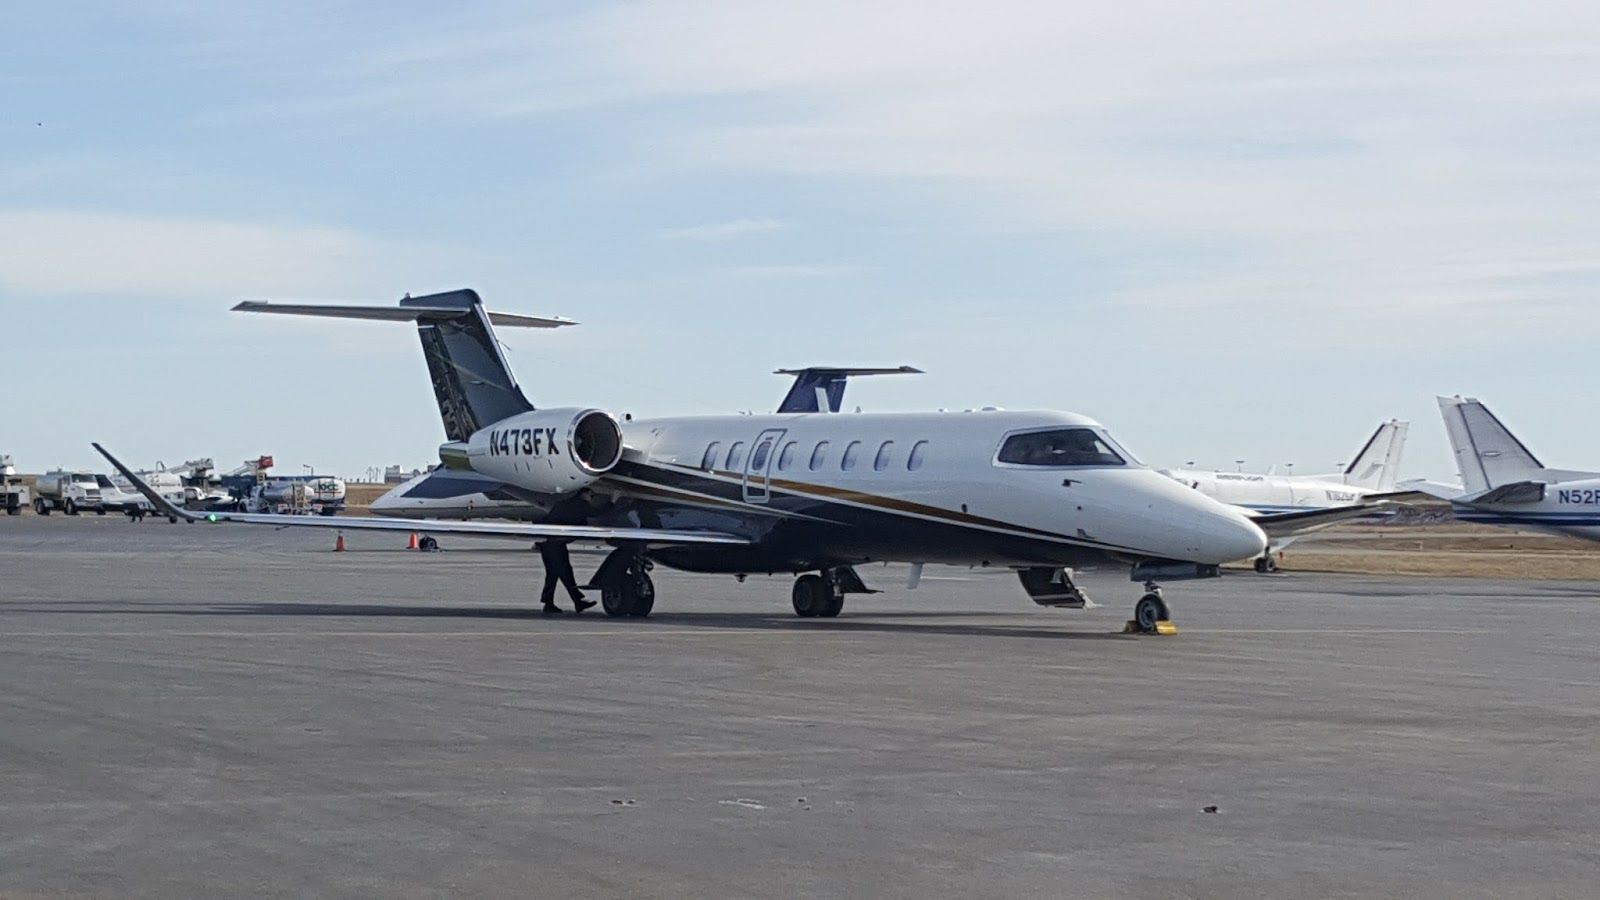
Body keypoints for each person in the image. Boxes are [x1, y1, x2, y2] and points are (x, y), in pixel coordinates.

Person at [538, 540, 595, 614]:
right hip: (554, 543)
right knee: (564, 572)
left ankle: (549, 601)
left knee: (554, 573)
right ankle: (577, 601)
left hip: (551, 543)